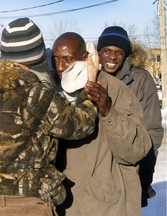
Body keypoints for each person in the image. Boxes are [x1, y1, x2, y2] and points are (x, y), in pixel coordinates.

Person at [0, 18, 99, 216]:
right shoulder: (38, 93)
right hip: (24, 205)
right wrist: (89, 86)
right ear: (38, 58)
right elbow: (80, 125)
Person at [52, 32, 152, 216]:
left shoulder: (112, 89)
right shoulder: (51, 91)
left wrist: (108, 110)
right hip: (64, 203)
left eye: (67, 59)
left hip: (105, 206)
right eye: (55, 59)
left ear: (85, 58)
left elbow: (137, 150)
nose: (60, 66)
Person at [97, 26, 164, 207]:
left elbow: (152, 129)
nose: (112, 57)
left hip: (130, 166)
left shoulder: (141, 80)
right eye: (107, 51)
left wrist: (145, 172)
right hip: (97, 168)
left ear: (126, 55)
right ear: (99, 53)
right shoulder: (91, 77)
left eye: (118, 52)